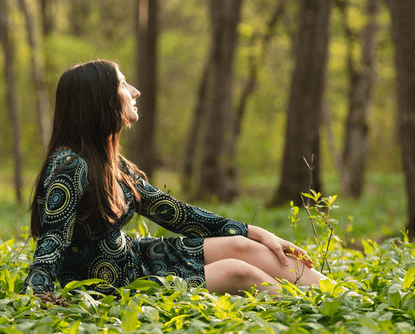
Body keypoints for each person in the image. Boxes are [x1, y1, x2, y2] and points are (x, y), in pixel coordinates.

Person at [24, 59, 327, 297]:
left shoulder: (112, 164)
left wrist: (254, 231)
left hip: (134, 257)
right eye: (122, 84)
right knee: (237, 270)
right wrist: (40, 296)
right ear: (99, 100)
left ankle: (340, 294)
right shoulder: (69, 166)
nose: (134, 92)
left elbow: (177, 214)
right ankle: (317, 308)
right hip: (108, 285)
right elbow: (51, 241)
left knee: (243, 248)